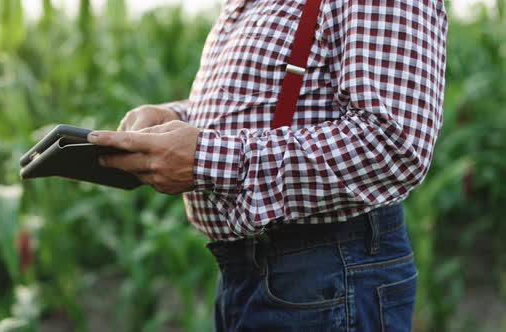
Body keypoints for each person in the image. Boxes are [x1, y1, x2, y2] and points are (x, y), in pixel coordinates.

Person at [87, 0, 448, 330]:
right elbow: (268, 104)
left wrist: (203, 157)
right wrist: (176, 118)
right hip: (251, 269)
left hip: (327, 269)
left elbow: (390, 144)